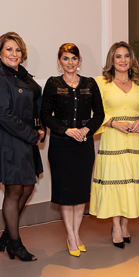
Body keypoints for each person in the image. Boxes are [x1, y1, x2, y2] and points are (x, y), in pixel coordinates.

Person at [41, 43, 105, 256]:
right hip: (61, 146)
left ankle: (76, 234)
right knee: (66, 194)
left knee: (80, 193)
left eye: (74, 58)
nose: (70, 62)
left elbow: (100, 114)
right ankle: (70, 236)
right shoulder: (53, 83)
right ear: (59, 61)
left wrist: (86, 129)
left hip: (84, 145)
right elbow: (45, 115)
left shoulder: (90, 83)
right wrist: (66, 130)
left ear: (79, 61)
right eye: (66, 58)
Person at [90, 42, 139, 248]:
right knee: (115, 182)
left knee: (131, 182)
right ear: (112, 59)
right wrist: (113, 123)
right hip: (113, 138)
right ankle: (116, 227)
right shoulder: (102, 82)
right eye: (118, 56)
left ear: (131, 59)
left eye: (126, 56)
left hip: (136, 140)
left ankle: (125, 225)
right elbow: (94, 112)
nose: (123, 60)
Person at [0, 32, 44, 262]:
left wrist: (41, 128)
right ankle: (16, 244)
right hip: (10, 140)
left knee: (28, 187)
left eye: (18, 49)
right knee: (14, 191)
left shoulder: (24, 76)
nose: (14, 53)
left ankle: (8, 236)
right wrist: (31, 134)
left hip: (27, 138)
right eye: (9, 49)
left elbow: (37, 105)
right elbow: (2, 114)